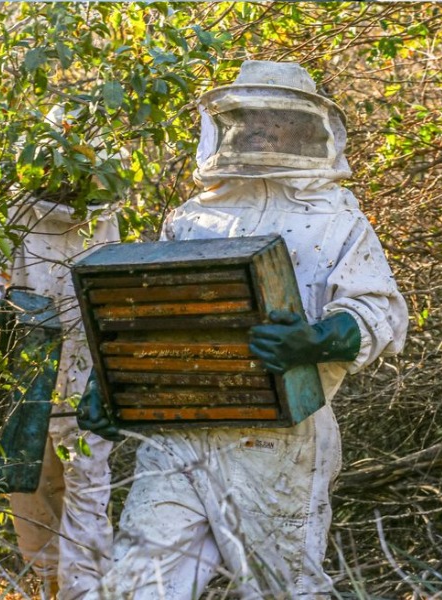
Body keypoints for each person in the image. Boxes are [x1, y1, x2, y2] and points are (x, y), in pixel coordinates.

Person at [78, 60, 408, 599]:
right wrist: (113, 387)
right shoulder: (191, 219)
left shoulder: (337, 219)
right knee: (137, 585)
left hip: (276, 442)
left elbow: (380, 314)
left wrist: (314, 341)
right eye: (249, 119)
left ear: (303, 128)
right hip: (178, 433)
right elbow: (150, 316)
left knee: (284, 588)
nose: (260, 131)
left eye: (274, 119)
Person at [0, 107, 120, 599]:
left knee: (87, 498)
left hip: (87, 383)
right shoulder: (10, 213)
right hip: (24, 380)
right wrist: (6, 307)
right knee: (31, 496)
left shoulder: (104, 218)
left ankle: (86, 592)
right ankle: (50, 587)